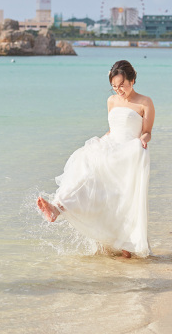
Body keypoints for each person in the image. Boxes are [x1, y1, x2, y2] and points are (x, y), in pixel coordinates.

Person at [36, 60, 154, 258]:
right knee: (85, 170)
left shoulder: (145, 102)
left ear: (132, 80)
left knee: (125, 196)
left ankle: (127, 245)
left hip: (129, 152)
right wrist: (99, 142)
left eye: (122, 86)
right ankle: (58, 206)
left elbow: (148, 132)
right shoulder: (111, 101)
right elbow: (112, 129)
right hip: (111, 145)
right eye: (114, 87)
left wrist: (142, 140)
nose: (119, 91)